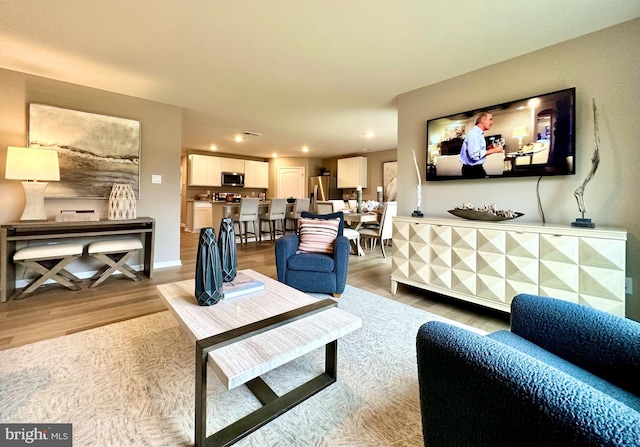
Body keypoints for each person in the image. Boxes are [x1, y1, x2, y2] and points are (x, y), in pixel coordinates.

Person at [459, 111, 503, 178]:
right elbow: (474, 155)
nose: (492, 122)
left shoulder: (478, 133)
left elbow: (477, 152)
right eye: (490, 119)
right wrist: (494, 150)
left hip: (475, 169)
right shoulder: (474, 134)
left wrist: (489, 149)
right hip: (472, 171)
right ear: (483, 120)